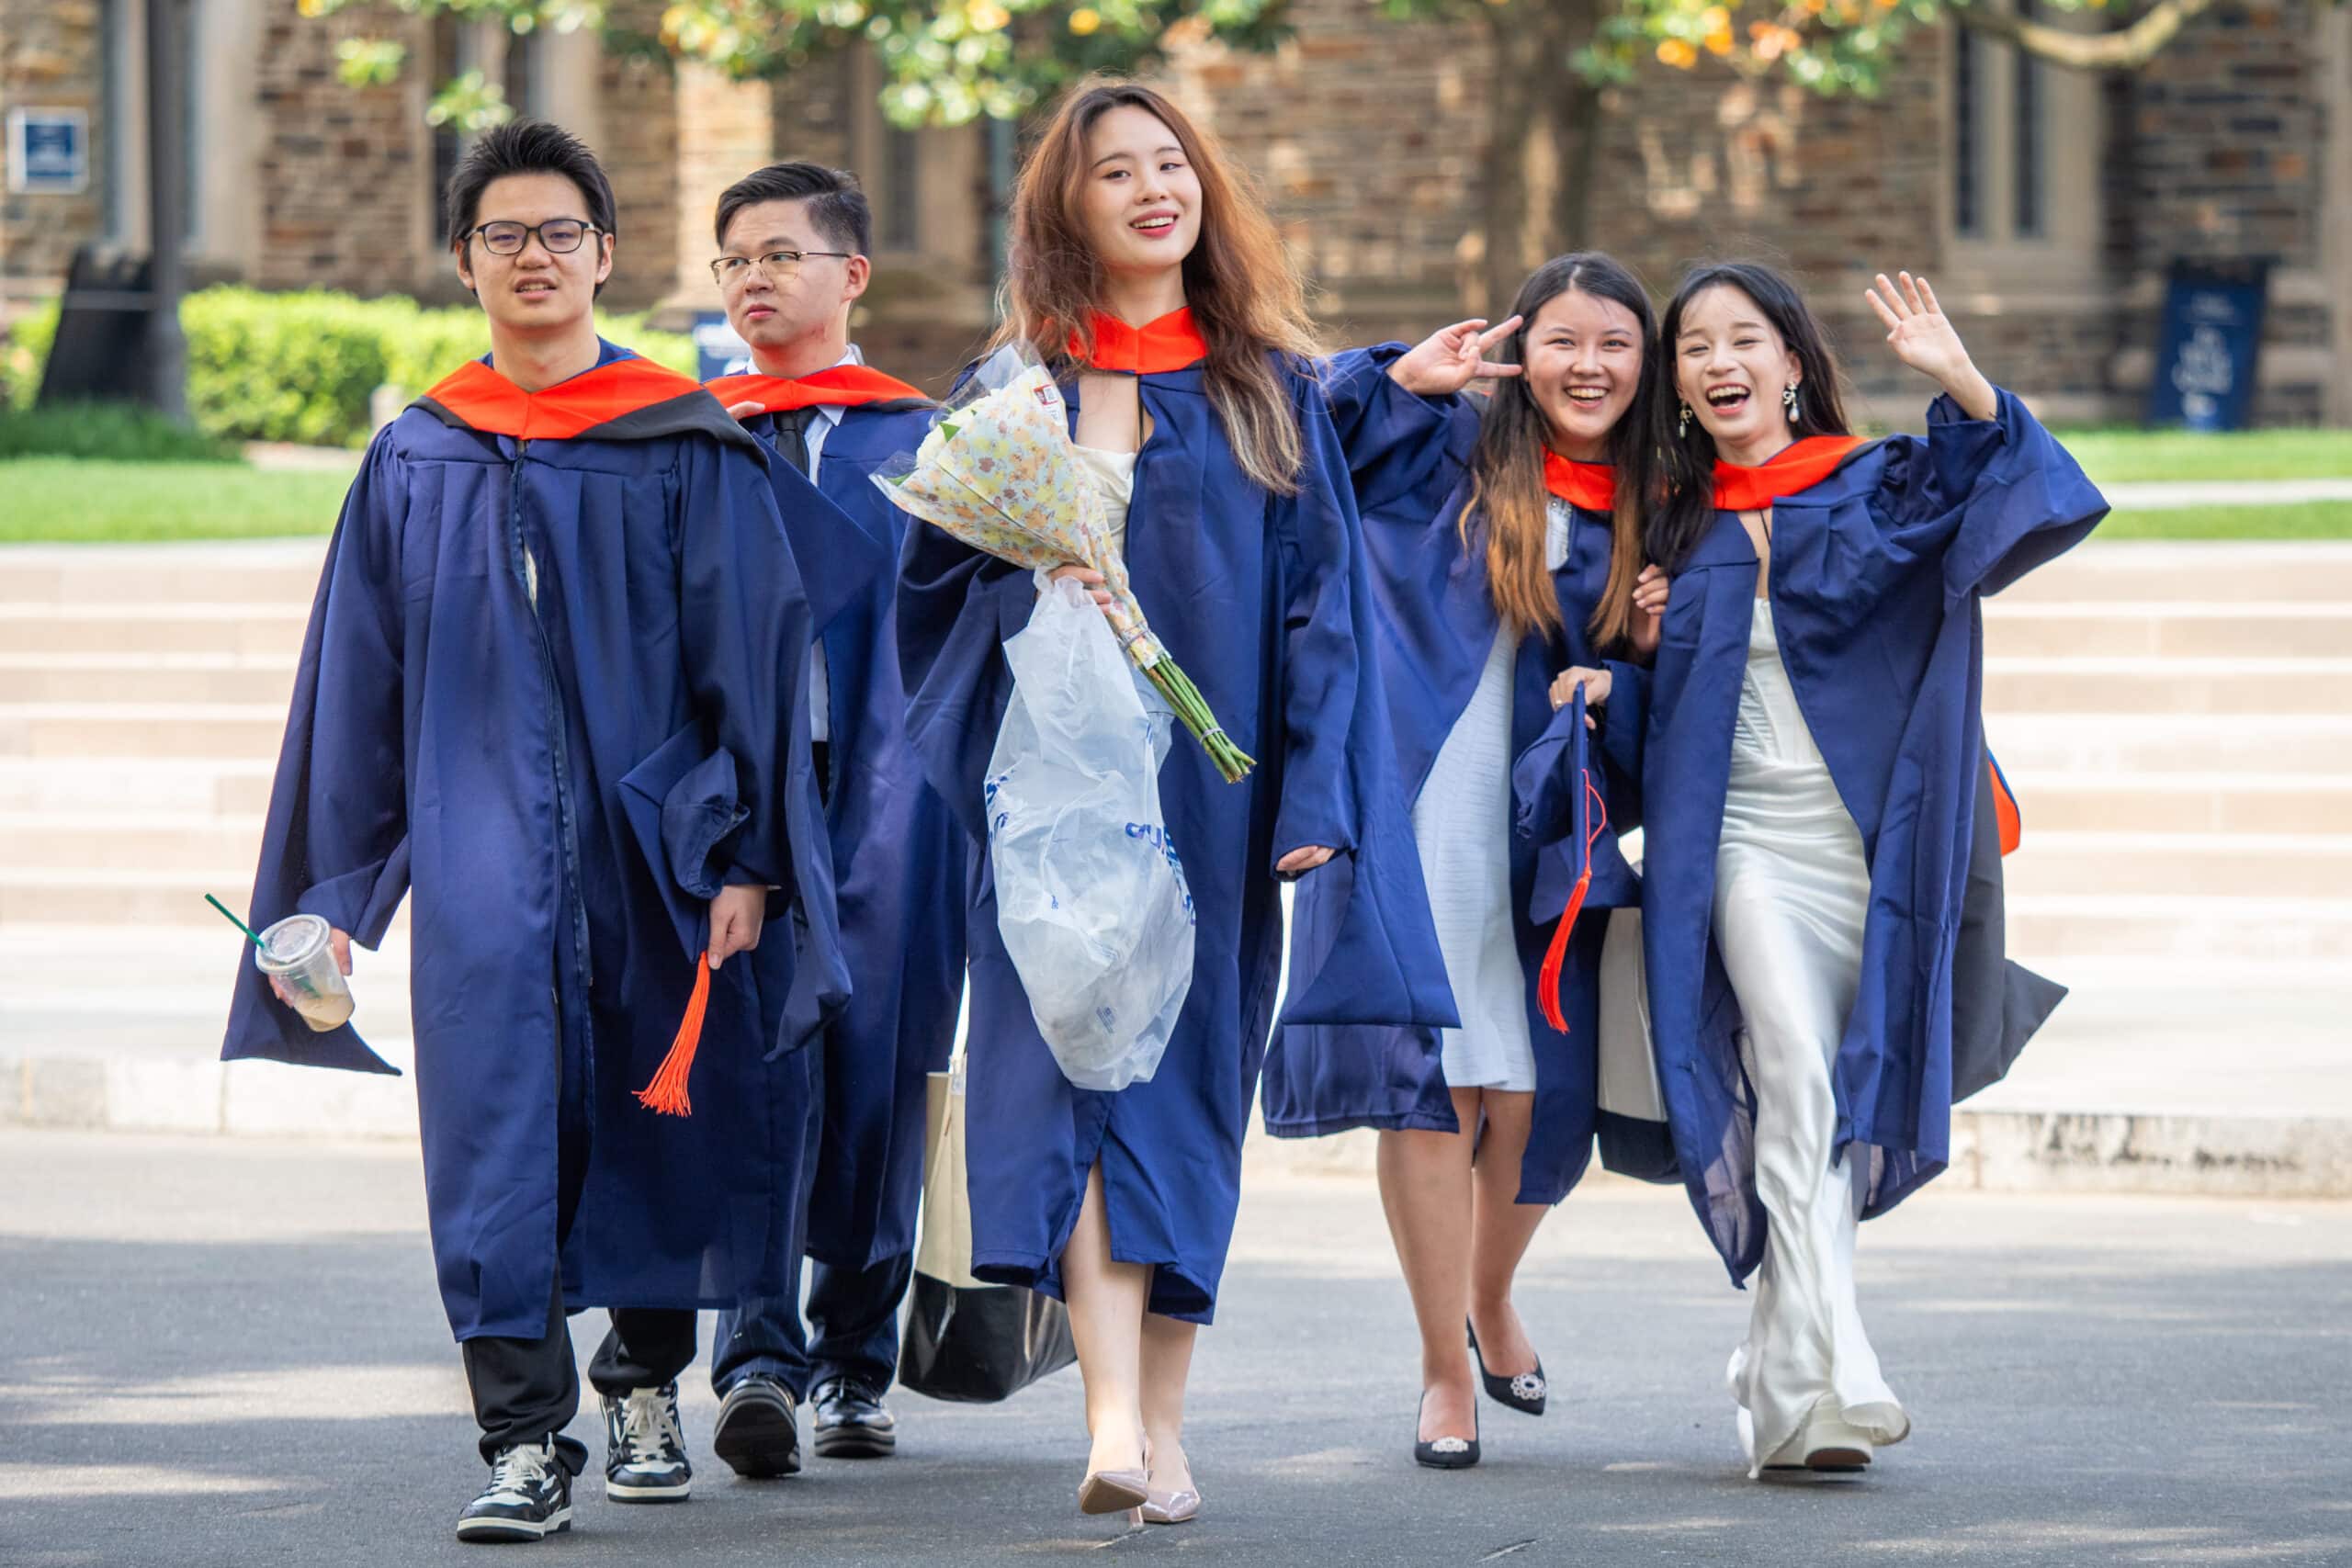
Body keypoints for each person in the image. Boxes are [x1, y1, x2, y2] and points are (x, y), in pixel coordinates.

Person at [220, 120, 845, 1543]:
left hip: (654, 852)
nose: (534, 257)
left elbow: (745, 655)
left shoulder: (682, 442)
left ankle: (639, 1381)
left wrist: (748, 856)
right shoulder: (417, 454)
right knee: (492, 1133)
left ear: (607, 256)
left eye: (560, 232)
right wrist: (328, 896)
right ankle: (519, 1437)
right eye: (504, 234)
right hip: (483, 852)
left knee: (654, 1115)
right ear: (463, 263)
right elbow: (357, 686)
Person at [895, 77, 1454, 1527]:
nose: (1154, 190)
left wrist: (1317, 793)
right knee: (1063, 1069)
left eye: (1170, 164)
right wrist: (1032, 572)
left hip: (1211, 799)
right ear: (1064, 211)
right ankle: (1108, 1419)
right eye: (1114, 174)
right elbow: (928, 588)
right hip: (1050, 795)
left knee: (1183, 1084)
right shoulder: (1014, 389)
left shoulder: (1262, 390)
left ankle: (1168, 1419)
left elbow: (1328, 614)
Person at [1611, 262, 2104, 1478]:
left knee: (1822, 1098)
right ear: (1676, 382)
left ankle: (1783, 1380)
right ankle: (1843, 1363)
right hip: (1742, 847)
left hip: (1865, 844)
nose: (1718, 364)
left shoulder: (1878, 484)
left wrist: (1964, 383)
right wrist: (1636, 635)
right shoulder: (1670, 522)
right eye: (1694, 349)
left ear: (1791, 360)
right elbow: (1625, 711)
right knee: (1789, 1066)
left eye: (1744, 340)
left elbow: (2025, 503)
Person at [1268, 253, 1669, 1469]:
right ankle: (1446, 1367)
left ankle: (1487, 1296)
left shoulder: (1662, 492)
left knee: (1539, 1089)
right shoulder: (1441, 441)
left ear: (1645, 363)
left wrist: (1642, 656)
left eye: (1614, 343)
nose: (1587, 365)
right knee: (1436, 1077)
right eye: (1562, 341)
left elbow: (1701, 675)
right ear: (1522, 348)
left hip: (1554, 808)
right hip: (1419, 784)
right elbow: (1289, 448)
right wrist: (1393, 376)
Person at [693, 161, 968, 1477]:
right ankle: (754, 1359)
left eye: (781, 254)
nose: (755, 278)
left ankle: (856, 1358)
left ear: (851, 275)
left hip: (886, 796)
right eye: (734, 258)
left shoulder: (924, 443)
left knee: (876, 1067)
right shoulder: (689, 437)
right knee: (752, 1066)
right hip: (735, 799)